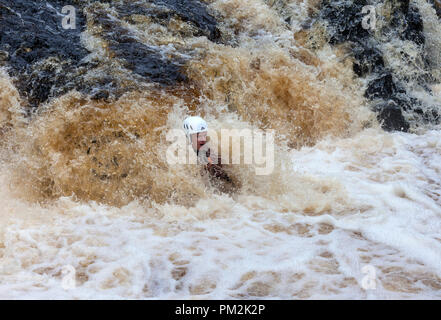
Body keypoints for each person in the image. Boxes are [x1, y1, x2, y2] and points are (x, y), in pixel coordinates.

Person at [183, 116, 235, 191]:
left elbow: (225, 177)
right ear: (189, 136)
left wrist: (213, 165)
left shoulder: (208, 152)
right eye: (199, 136)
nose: (203, 140)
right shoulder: (182, 152)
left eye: (204, 135)